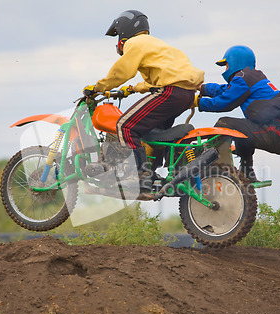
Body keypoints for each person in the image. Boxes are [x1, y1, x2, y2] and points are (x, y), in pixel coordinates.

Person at [83, 10, 204, 190]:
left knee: (125, 126)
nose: (119, 43)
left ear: (124, 30)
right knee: (151, 132)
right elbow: (157, 80)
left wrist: (99, 87)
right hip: (185, 95)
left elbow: (122, 71)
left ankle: (141, 175)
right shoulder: (157, 45)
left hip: (169, 93)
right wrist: (131, 89)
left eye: (118, 37)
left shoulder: (135, 43)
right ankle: (152, 173)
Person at [194, 45, 280, 182]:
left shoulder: (242, 77)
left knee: (225, 123)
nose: (225, 70)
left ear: (235, 62)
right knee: (243, 130)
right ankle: (247, 172)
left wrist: (197, 102)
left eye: (226, 65)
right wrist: (203, 88)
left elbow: (224, 102)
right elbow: (225, 90)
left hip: (275, 132)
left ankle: (208, 161)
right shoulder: (251, 77)